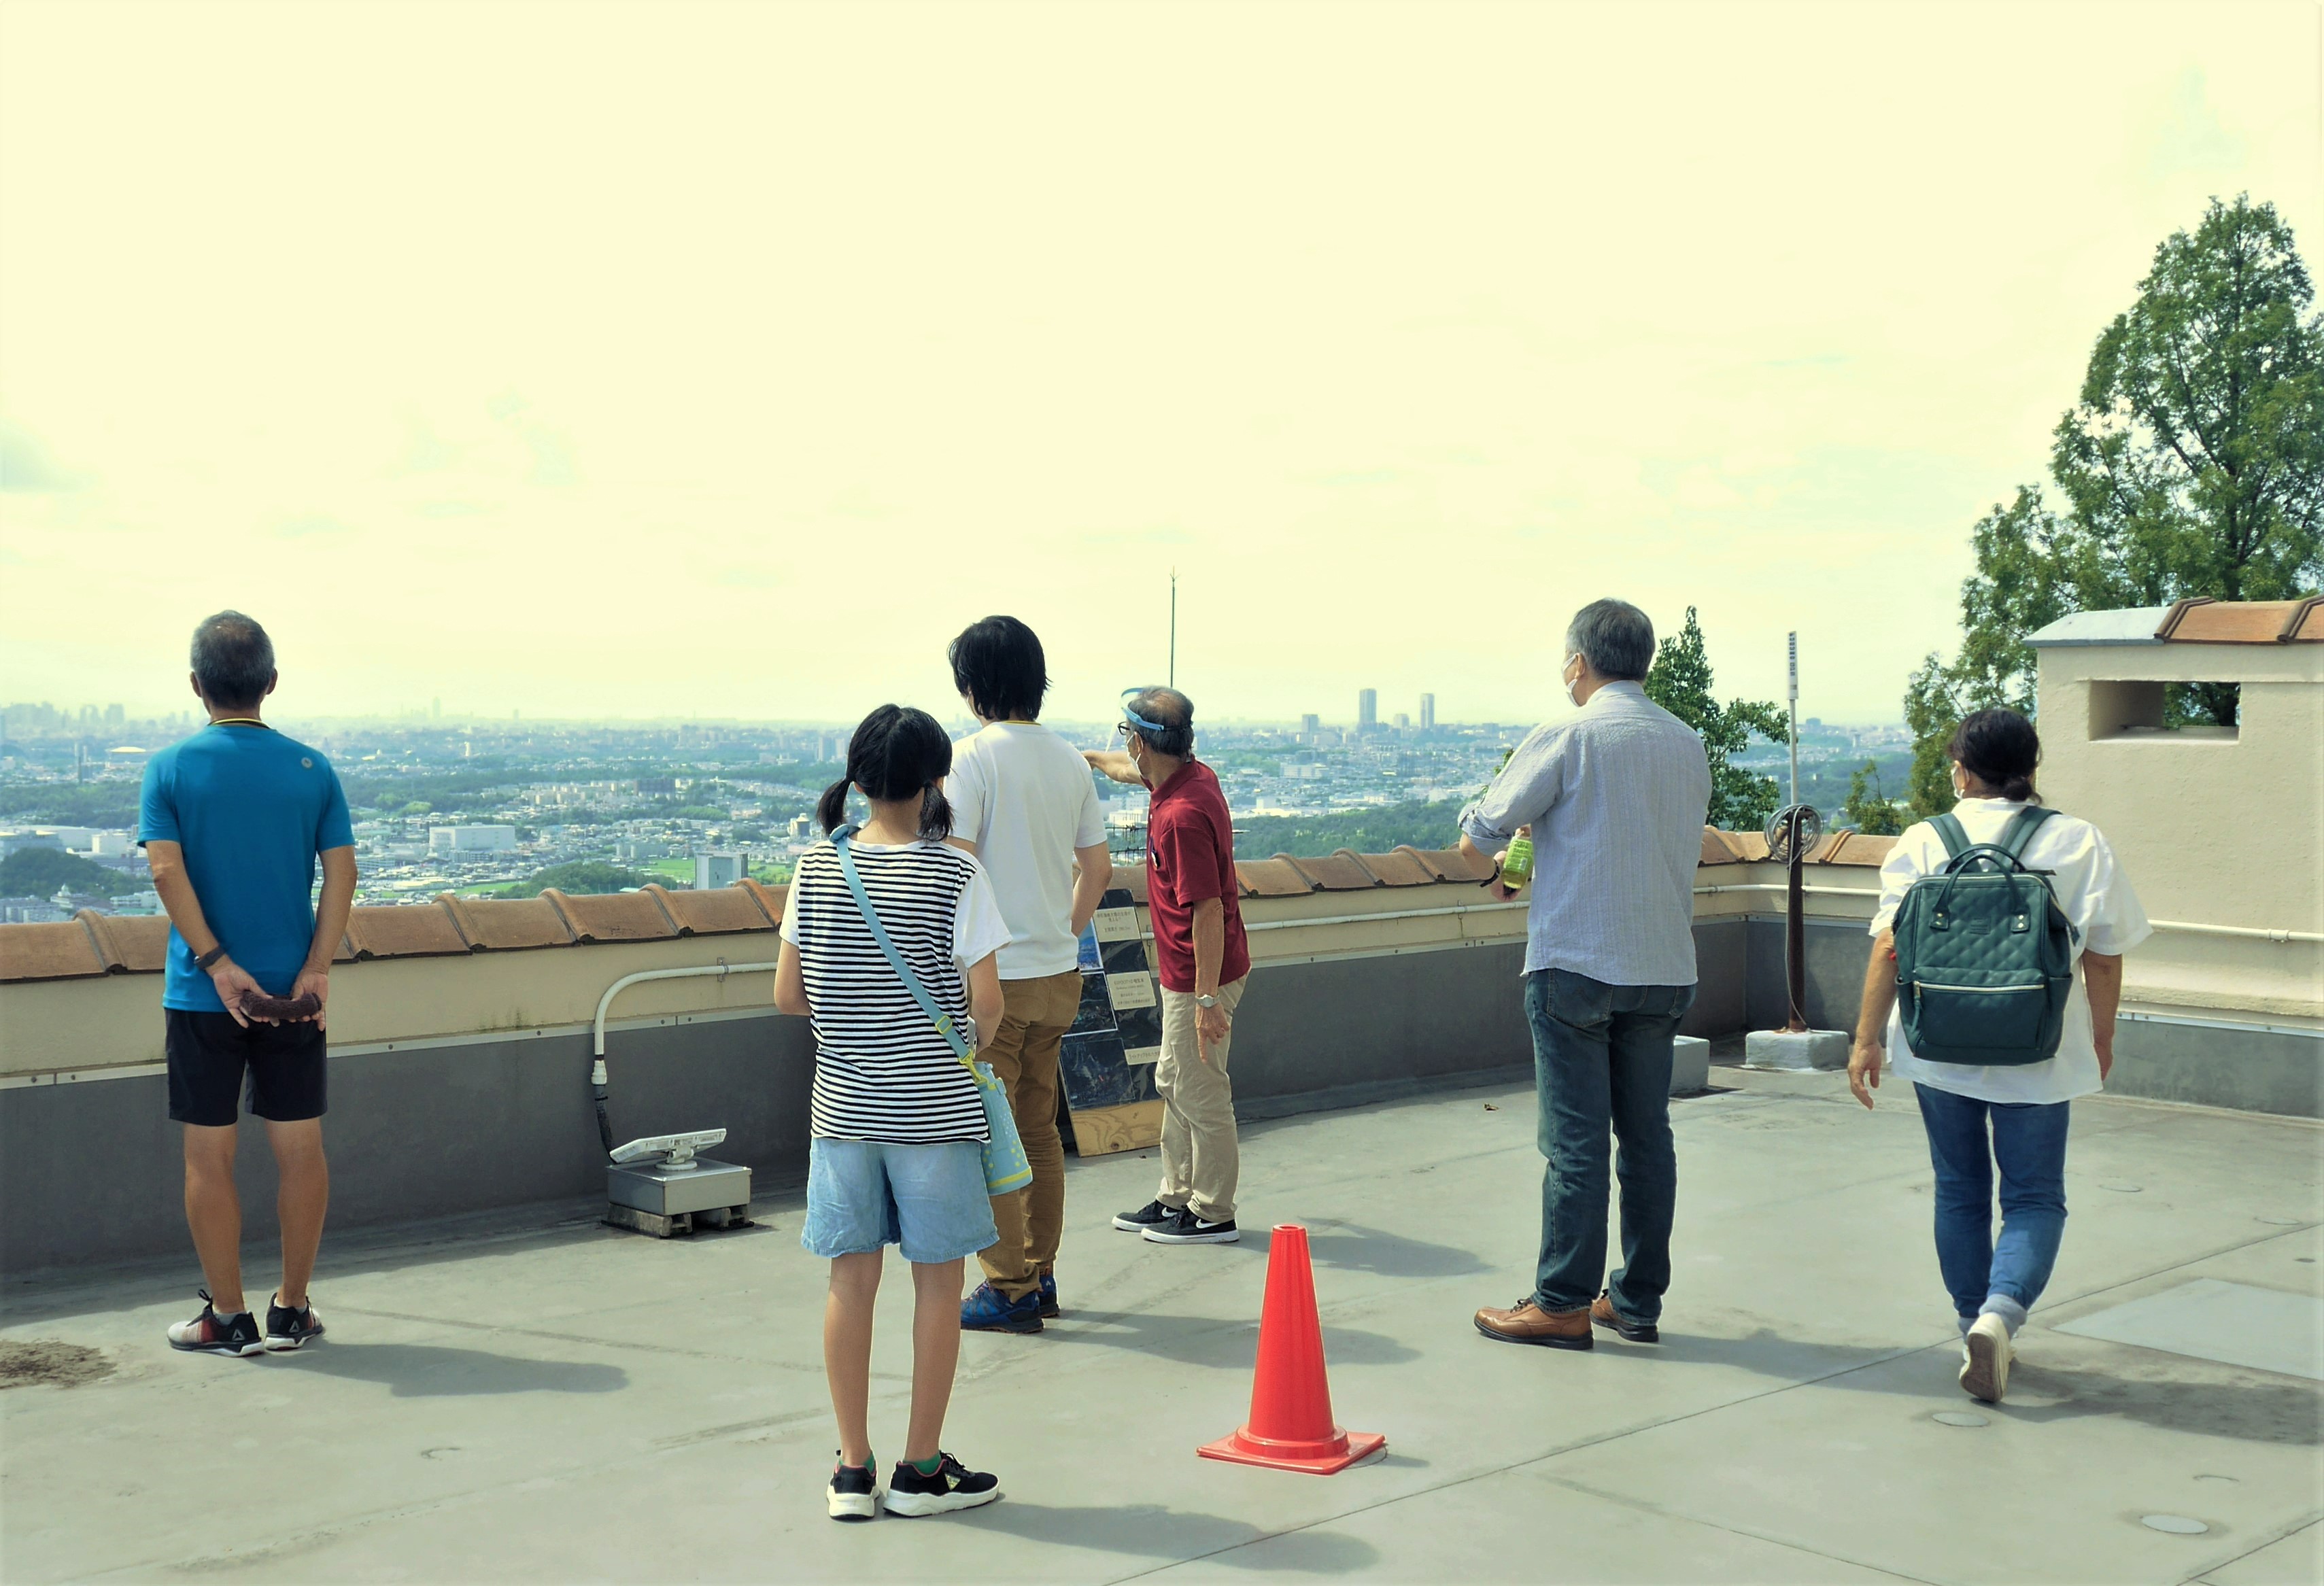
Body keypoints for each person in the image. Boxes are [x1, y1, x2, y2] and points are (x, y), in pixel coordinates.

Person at [1848, 707, 2149, 1405]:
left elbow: (1889, 945)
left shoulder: (1925, 840)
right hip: (2040, 1047)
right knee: (2034, 1196)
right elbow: (2105, 955)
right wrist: (2100, 1037)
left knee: (1958, 1188)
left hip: (1938, 1044)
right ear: (2031, 768)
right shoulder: (2078, 840)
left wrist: (1866, 1038)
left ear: (1960, 770)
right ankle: (2000, 1315)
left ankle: (1970, 1325)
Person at [774, 704, 1010, 1521]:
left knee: (850, 1280)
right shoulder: (957, 873)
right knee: (938, 1284)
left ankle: (852, 1469)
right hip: (934, 1115)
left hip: (842, 1109)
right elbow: (987, 1005)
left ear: (860, 778)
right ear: (934, 780)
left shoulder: (815, 867)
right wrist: (953, 1041)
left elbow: (787, 993)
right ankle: (920, 1469)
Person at [1463, 598, 1711, 1351]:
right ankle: (1635, 1299)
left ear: (1578, 661)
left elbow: (1480, 836)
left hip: (1575, 963)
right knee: (1647, 1138)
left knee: (1575, 1143)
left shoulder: (1569, 733)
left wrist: (1503, 865)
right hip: (1663, 964)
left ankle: (1563, 1301)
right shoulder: (1685, 742)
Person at [142, 611, 356, 1358]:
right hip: (293, 993)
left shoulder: (169, 767)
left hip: (201, 994)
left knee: (210, 1157)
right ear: (270, 682)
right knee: (301, 1149)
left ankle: (228, 1317)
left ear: (196, 685)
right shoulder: (312, 768)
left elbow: (164, 868)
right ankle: (292, 1308)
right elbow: (342, 873)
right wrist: (317, 968)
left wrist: (216, 963)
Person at [942, 617, 1113, 1336]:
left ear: (974, 686)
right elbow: (1097, 869)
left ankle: (1007, 1286)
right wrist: (1061, 933)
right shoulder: (1071, 761)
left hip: (996, 980)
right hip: (1057, 973)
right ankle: (1039, 1273)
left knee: (990, 1133)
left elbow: (955, 868)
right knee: (1039, 1129)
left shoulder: (971, 758)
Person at [1086, 687, 1251, 1246]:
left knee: (1201, 1089)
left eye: (1125, 736)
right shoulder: (1186, 777)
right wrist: (1086, 759)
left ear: (1141, 742)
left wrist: (1206, 1001)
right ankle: (1176, 1195)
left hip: (1203, 975)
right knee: (1175, 1079)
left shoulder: (1180, 815)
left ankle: (1214, 1211)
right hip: (1191, 973)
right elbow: (1123, 768)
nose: (1124, 747)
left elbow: (1208, 911)